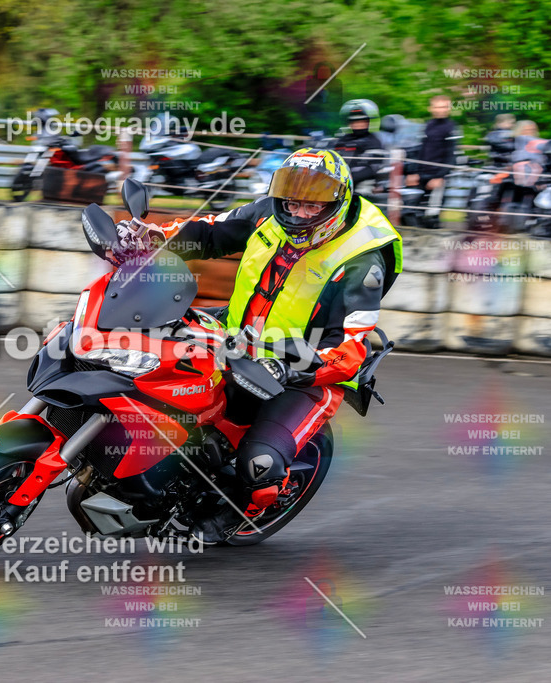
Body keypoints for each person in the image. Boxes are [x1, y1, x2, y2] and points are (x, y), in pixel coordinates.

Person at [118, 148, 402, 542]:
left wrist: (292, 368)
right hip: (239, 338)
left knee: (260, 464)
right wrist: (153, 238)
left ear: (336, 204)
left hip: (307, 372)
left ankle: (245, 510)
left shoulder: (363, 259)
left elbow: (352, 347)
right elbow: (211, 231)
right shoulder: (270, 212)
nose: (298, 212)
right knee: (143, 356)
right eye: (292, 201)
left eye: (310, 205)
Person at [404, 94, 461, 228]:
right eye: (437, 107)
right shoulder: (427, 125)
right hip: (421, 175)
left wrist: (439, 177)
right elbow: (420, 150)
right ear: (431, 108)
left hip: (439, 177)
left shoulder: (452, 127)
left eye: (444, 107)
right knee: (411, 212)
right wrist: (414, 172)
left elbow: (451, 156)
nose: (441, 110)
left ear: (448, 109)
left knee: (431, 218)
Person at [330, 99, 384, 186]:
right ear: (349, 124)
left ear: (368, 122)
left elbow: (372, 169)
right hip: (338, 181)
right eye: (354, 122)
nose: (358, 124)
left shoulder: (373, 141)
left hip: (362, 184)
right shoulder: (343, 140)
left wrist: (347, 179)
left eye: (361, 121)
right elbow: (332, 159)